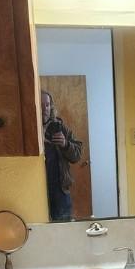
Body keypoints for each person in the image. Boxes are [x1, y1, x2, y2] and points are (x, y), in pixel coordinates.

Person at [41, 90, 83, 221]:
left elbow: (77, 155)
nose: (44, 109)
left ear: (51, 106)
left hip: (60, 189)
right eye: (41, 105)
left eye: (47, 105)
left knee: (64, 229)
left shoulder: (61, 127)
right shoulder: (29, 129)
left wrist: (65, 144)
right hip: (36, 190)